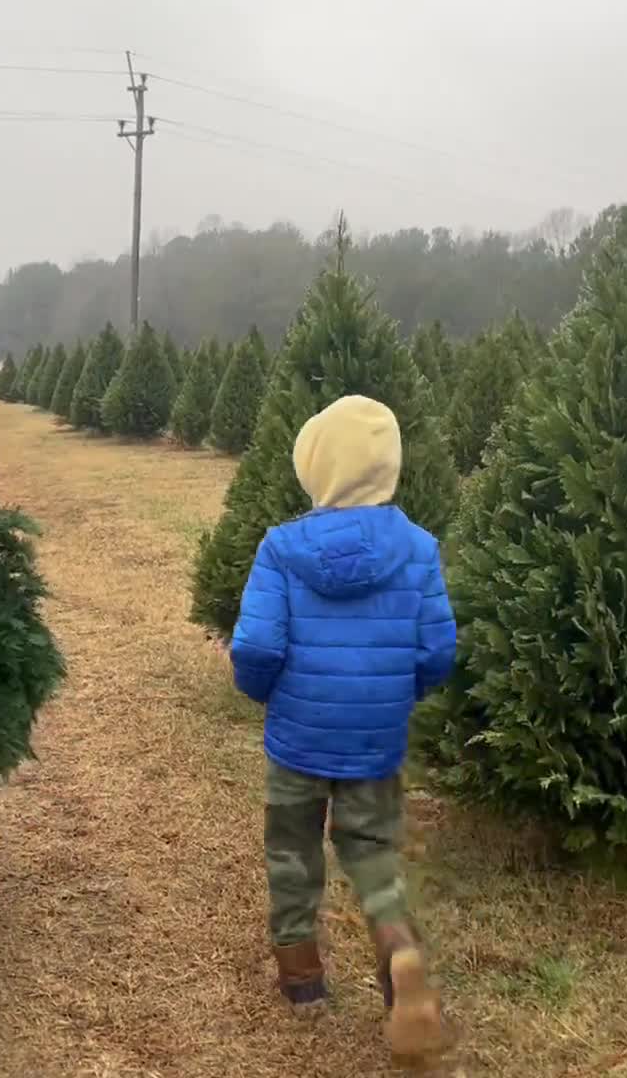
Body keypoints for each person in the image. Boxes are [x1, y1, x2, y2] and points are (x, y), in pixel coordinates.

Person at [227, 394, 455, 1065]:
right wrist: (399, 694)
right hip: (375, 740)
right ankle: (398, 949)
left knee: (294, 852)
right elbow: (437, 650)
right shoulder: (418, 549)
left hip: (297, 737)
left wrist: (260, 693)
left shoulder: (281, 548)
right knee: (373, 849)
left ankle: (302, 978)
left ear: (316, 466)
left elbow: (258, 647)